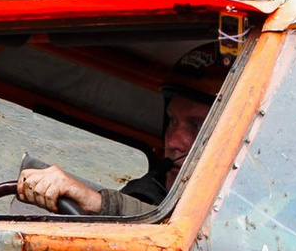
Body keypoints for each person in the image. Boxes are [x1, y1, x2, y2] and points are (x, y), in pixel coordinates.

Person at [14, 50, 225, 216]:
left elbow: (181, 233)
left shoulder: (248, 220)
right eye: (172, 121)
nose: (172, 141)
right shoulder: (145, 192)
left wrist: (96, 202)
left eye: (197, 127)